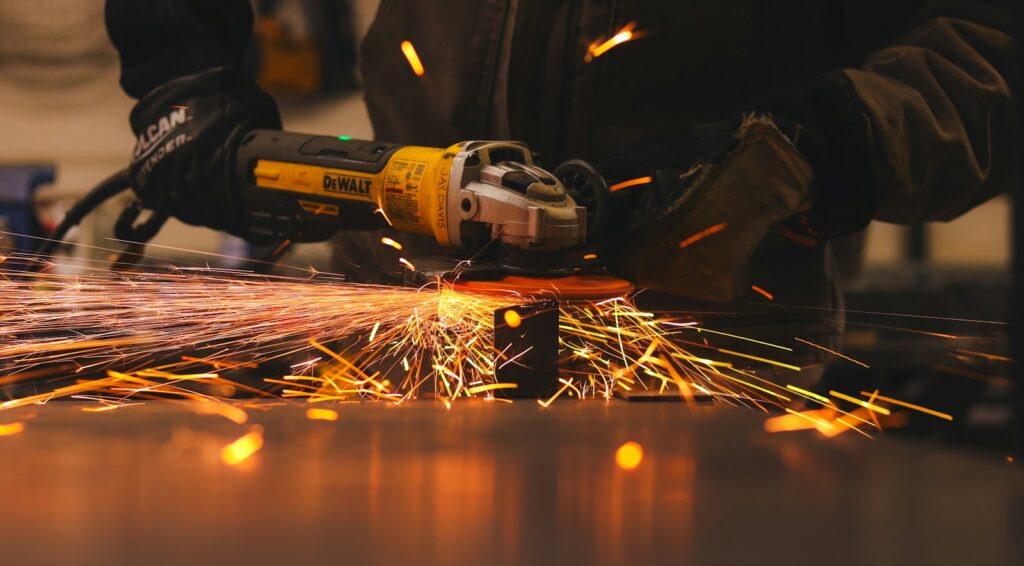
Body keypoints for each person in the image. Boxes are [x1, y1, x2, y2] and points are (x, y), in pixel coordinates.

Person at [104, 1, 1013, 355]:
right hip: (394, 335)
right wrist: (182, 66)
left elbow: (993, 51)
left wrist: (812, 148)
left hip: (717, 369)